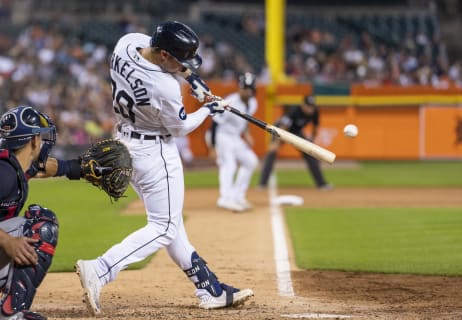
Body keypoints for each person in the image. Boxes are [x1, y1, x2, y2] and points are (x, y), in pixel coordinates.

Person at [74, 20, 254, 316]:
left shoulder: (126, 43)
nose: (185, 65)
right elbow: (181, 127)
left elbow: (163, 57)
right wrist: (209, 108)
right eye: (180, 60)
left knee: (172, 224)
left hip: (127, 144)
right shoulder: (164, 86)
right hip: (156, 151)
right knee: (164, 227)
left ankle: (210, 289)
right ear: (165, 56)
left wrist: (190, 77)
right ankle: (101, 269)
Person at [0, 105, 86, 320]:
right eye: (40, 136)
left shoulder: (13, 165)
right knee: (41, 224)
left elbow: (44, 168)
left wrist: (80, 168)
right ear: (33, 140)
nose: (42, 141)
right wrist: (8, 241)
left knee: (29, 227)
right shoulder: (5, 174)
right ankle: (10, 313)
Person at [208, 72, 258, 212]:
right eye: (243, 87)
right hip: (223, 136)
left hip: (236, 137)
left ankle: (237, 196)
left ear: (253, 90)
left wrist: (247, 134)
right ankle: (225, 199)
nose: (245, 91)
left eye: (248, 88)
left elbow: (244, 121)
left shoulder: (253, 103)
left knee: (251, 161)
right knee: (229, 165)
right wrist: (212, 147)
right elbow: (214, 124)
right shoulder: (230, 102)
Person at [258, 95, 331, 189]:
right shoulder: (295, 111)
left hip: (296, 132)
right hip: (281, 130)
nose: (310, 109)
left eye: (312, 106)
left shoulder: (315, 112)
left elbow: (315, 127)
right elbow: (283, 126)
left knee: (310, 152)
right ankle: (262, 184)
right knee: (272, 152)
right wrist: (276, 142)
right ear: (303, 105)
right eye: (308, 106)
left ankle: (321, 184)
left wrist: (312, 140)